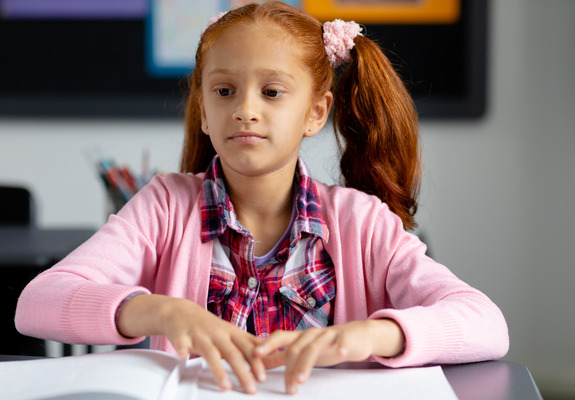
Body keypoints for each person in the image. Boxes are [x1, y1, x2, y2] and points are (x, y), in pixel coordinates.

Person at [15, 1, 509, 395]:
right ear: (204, 112)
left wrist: (368, 335)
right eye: (224, 91)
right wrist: (163, 312)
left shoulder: (362, 222)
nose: (245, 110)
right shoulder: (164, 206)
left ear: (316, 113)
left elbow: (485, 323)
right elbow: (36, 303)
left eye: (272, 92)